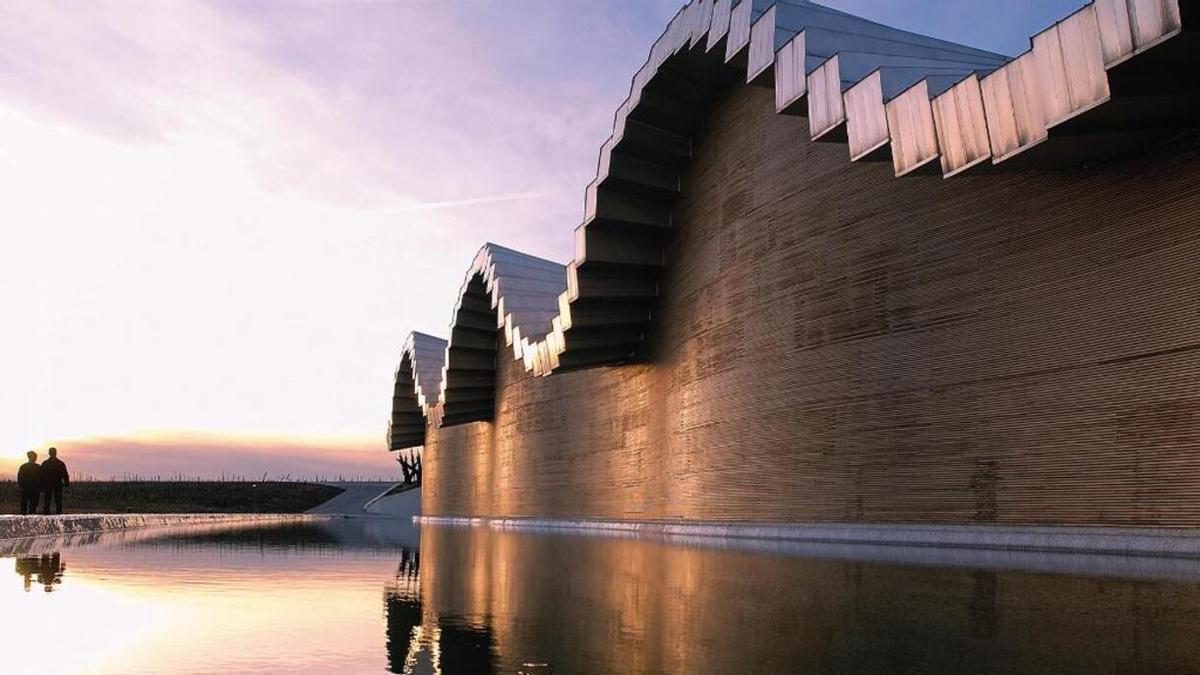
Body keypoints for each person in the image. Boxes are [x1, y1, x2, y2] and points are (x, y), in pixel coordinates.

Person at [41, 447, 69, 515]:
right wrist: (66, 483)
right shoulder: (60, 463)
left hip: (48, 484)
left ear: (49, 453)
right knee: (58, 500)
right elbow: (65, 474)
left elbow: (41, 475)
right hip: (57, 484)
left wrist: (41, 485)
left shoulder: (45, 463)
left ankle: (46, 512)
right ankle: (58, 513)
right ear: (55, 453)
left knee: (47, 500)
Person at [16, 451, 40, 515]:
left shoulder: (23, 467)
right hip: (32, 489)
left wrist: (20, 486)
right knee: (32, 507)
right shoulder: (38, 467)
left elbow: (20, 478)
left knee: (25, 506)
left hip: (27, 489)